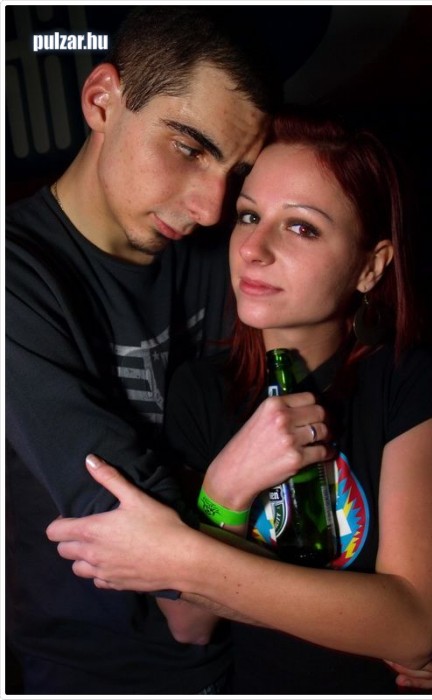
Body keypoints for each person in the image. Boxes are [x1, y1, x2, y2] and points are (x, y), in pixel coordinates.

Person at [47, 112, 432, 694]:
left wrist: (182, 556)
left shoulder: (404, 382)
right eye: (248, 216)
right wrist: (226, 487)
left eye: (301, 227)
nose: (253, 249)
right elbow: (189, 622)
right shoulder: (199, 391)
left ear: (371, 267)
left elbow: (414, 626)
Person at [4, 5, 293, 694]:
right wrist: (224, 489)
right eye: (189, 148)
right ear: (102, 100)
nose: (210, 208)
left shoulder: (228, 249)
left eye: (236, 173)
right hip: (99, 675)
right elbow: (177, 592)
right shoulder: (17, 276)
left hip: (263, 652)